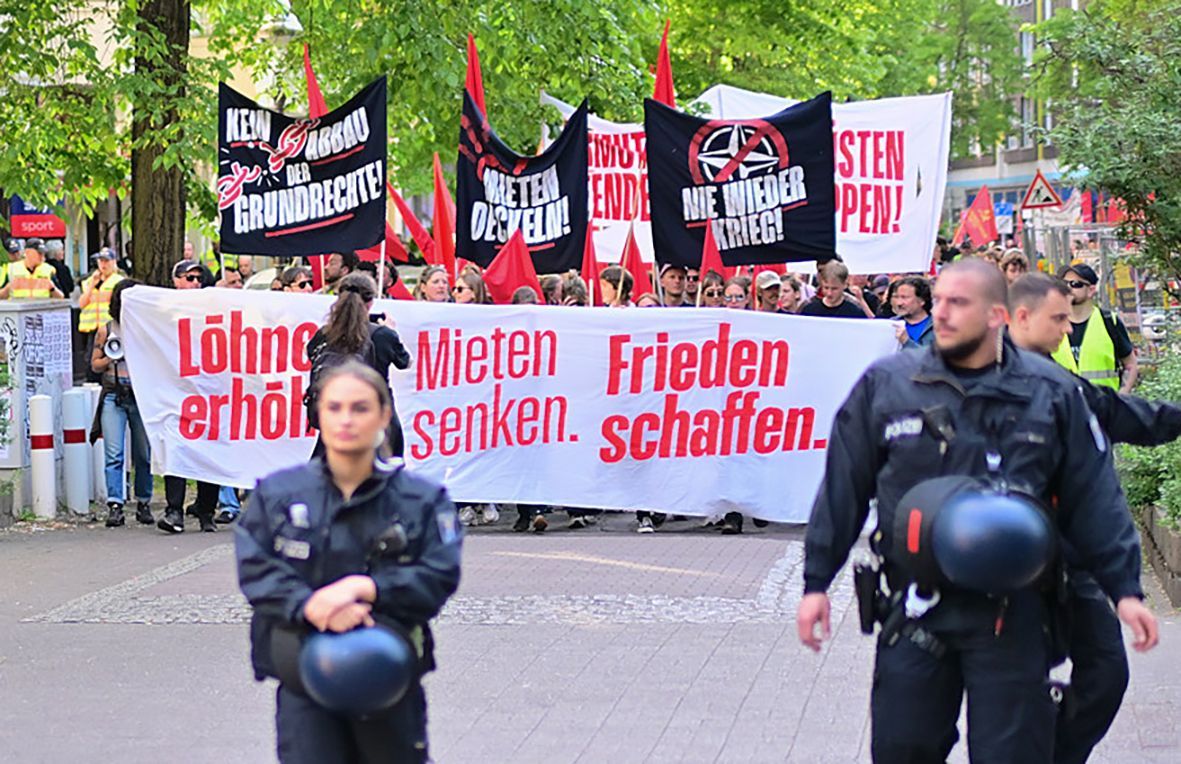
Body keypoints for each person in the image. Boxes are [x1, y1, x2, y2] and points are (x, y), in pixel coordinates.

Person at [797, 259, 1158, 763]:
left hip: (1013, 613)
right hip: (917, 609)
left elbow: (1093, 496)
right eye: (939, 300)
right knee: (903, 747)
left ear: (995, 315)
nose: (941, 313)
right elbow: (843, 487)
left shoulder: (1049, 392)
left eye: (957, 303)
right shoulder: (889, 386)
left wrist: (1125, 591)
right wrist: (816, 582)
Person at [235, 361, 462, 763]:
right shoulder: (279, 495)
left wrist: (367, 588)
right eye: (334, 407)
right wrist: (309, 606)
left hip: (388, 676)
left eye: (360, 408)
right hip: (304, 679)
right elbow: (256, 567)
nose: (346, 420)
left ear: (384, 415)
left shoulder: (421, 501)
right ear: (319, 415)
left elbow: (439, 573)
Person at [1009, 272, 1181, 764]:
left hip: (1070, 564)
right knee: (1012, 692)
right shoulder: (979, 379)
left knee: (1106, 673)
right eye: (1058, 318)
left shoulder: (1063, 385)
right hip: (1005, 570)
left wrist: (1124, 588)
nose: (1067, 330)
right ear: (1023, 317)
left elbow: (1125, 417)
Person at [307, 273, 411, 459]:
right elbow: (405, 362)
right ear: (370, 302)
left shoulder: (324, 334)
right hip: (376, 419)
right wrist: (392, 331)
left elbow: (311, 355)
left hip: (337, 415)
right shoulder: (383, 335)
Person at [161, 259, 221, 533]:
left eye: (199, 278)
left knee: (210, 451)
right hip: (177, 393)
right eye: (189, 278)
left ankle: (206, 510)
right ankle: (174, 511)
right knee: (176, 450)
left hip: (210, 394)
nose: (195, 283)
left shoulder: (212, 311)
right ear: (176, 281)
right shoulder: (162, 312)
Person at [90, 279, 154, 528]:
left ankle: (143, 501)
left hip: (140, 396)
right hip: (114, 395)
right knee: (114, 453)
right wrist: (110, 357)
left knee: (143, 454)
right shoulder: (107, 329)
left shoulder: (146, 329)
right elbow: (95, 364)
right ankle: (115, 504)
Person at [1052, 263, 1138, 394]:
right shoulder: (1052, 323)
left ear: (1091, 290)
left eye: (1075, 284)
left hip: (1104, 409)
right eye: (1064, 283)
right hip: (1064, 409)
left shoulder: (1109, 321)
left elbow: (1130, 364)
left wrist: (1122, 397)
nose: (1068, 288)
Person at [77, 248, 125, 380]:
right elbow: (82, 303)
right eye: (101, 261)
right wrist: (92, 285)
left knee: (109, 357)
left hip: (109, 327)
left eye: (106, 261)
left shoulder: (118, 281)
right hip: (91, 327)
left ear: (114, 262)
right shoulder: (88, 281)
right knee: (89, 360)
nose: (103, 265)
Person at [799, 261, 871, 318]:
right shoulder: (809, 310)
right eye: (826, 288)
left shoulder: (855, 311)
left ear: (845, 284)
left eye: (834, 289)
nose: (829, 293)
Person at [0, 238, 64, 299]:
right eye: (39, 253)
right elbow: (1, 296)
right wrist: (8, 287)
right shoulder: (12, 269)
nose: (42, 256)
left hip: (40, 309)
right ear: (28, 252)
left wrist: (52, 288)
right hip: (19, 308)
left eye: (43, 253)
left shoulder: (48, 270)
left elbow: (61, 297)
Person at [891, 276, 934, 349]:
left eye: (905, 297)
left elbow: (935, 359)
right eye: (896, 297)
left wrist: (907, 342)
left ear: (922, 300)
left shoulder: (939, 327)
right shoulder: (891, 324)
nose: (899, 303)